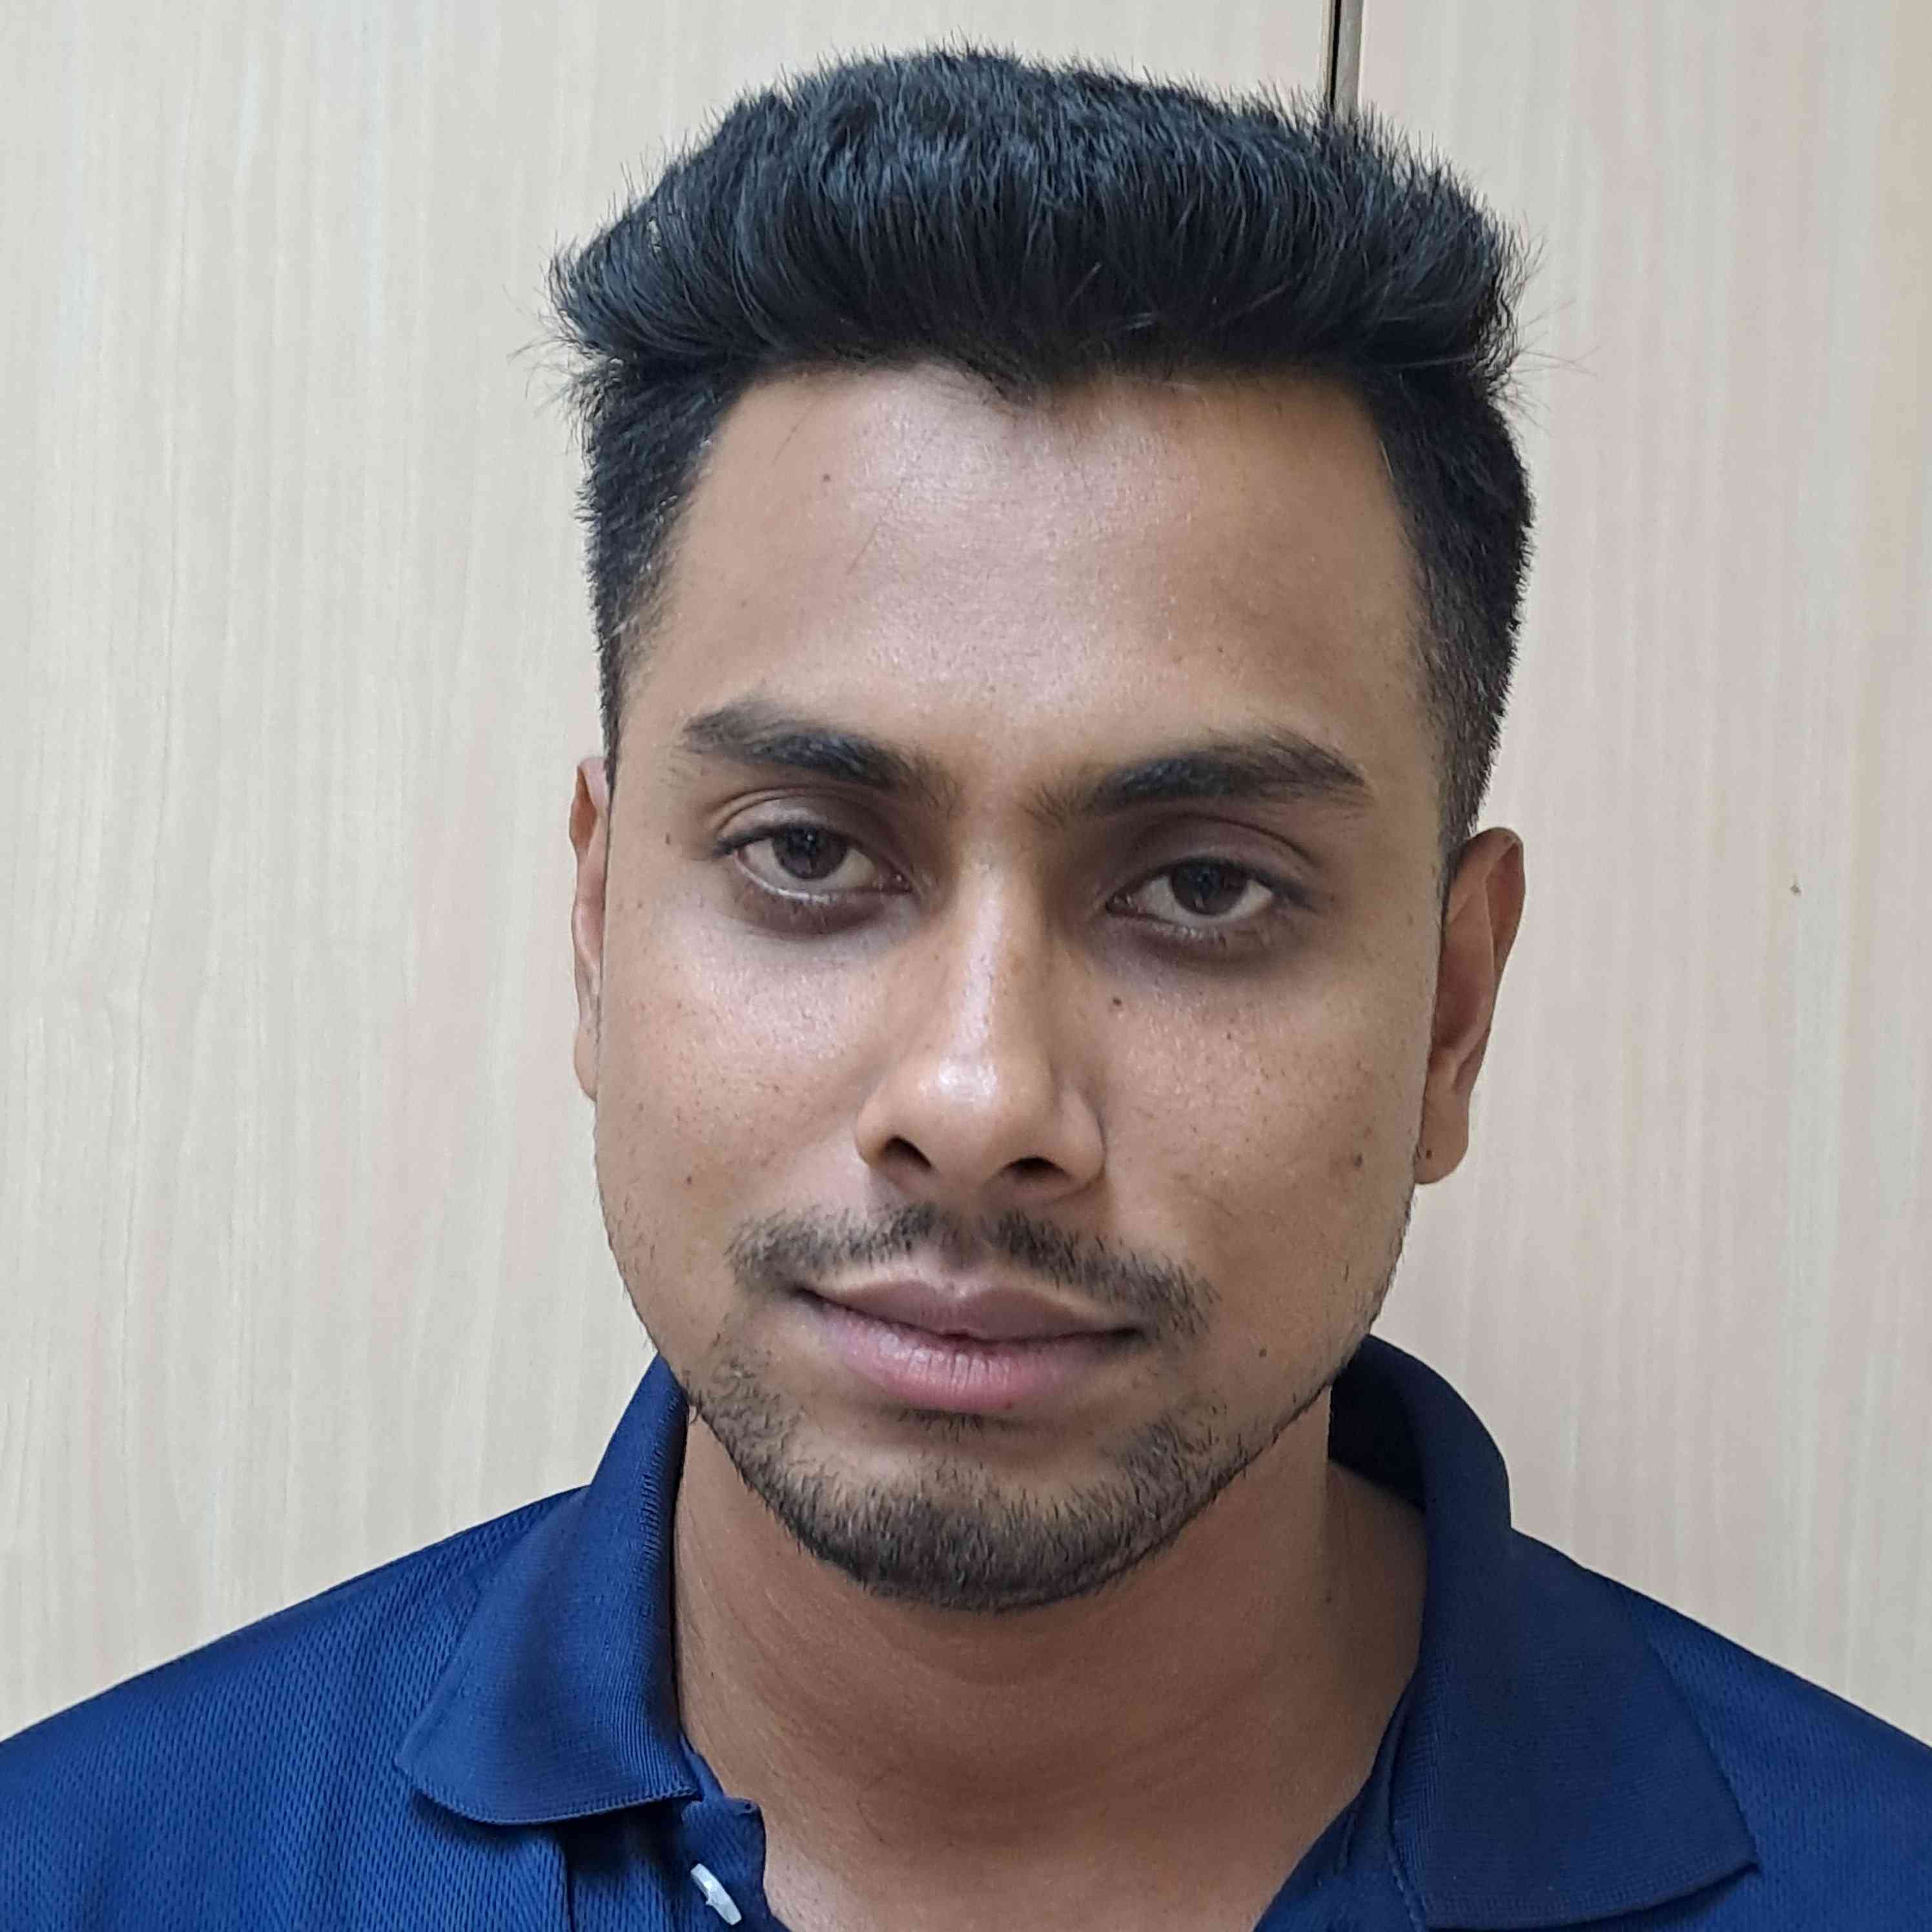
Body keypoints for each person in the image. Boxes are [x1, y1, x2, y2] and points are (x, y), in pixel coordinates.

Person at [3, 45, 1927, 1932]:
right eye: (806, 854)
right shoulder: (85, 1875)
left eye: (1203, 885)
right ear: (596, 928)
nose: (980, 1094)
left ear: (1452, 1013)